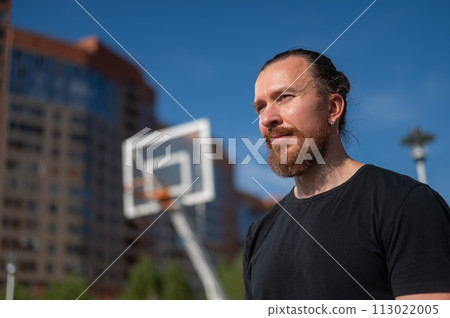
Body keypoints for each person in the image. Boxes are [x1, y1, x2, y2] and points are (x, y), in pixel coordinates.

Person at [243, 48, 450, 300]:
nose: (267, 118)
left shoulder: (405, 204)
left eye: (285, 97)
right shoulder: (259, 235)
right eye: (260, 108)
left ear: (332, 108)